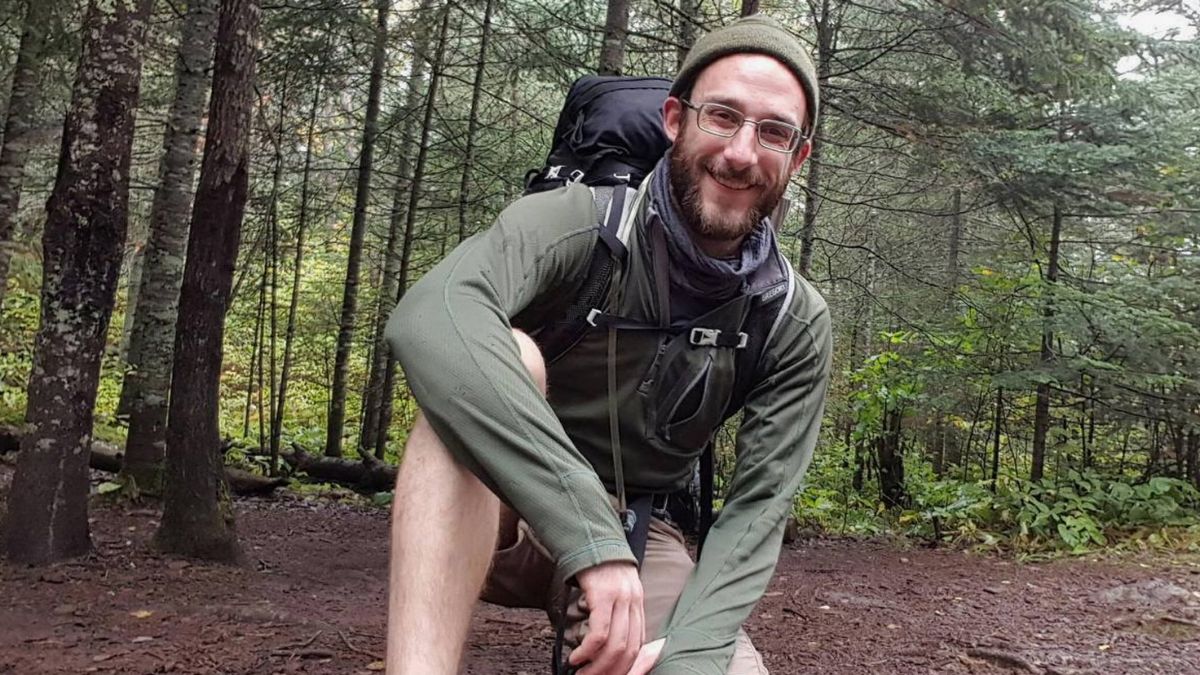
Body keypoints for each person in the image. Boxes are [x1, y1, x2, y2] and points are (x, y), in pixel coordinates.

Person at [384, 14, 831, 675]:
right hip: (496, 505)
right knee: (506, 353)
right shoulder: (576, 222)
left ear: (797, 157)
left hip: (643, 533)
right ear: (676, 120)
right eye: (722, 117)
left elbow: (759, 506)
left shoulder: (791, 317)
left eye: (772, 132)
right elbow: (429, 316)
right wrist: (586, 530)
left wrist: (694, 650)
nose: (740, 152)